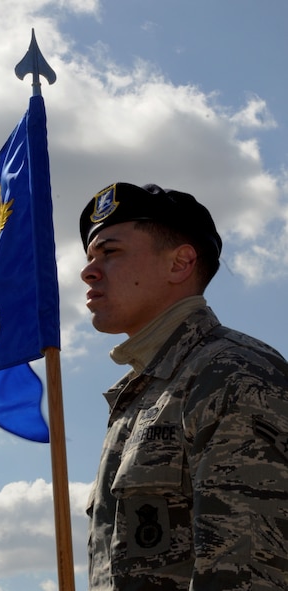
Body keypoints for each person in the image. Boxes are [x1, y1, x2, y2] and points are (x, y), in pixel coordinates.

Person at [79, 182, 288, 591]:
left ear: (179, 264)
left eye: (110, 252)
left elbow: (248, 577)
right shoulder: (142, 393)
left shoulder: (231, 373)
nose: (88, 271)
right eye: (89, 257)